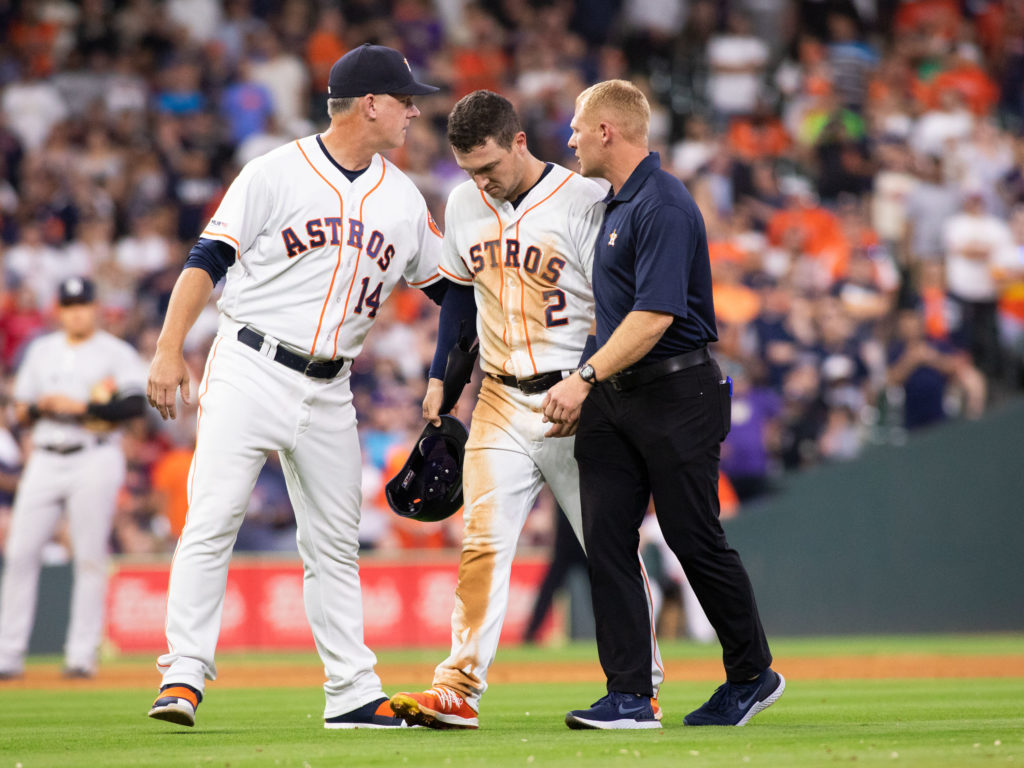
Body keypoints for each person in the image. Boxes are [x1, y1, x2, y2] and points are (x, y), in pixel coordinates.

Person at [145, 44, 444, 729]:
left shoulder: (401, 196)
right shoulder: (276, 171)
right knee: (213, 517)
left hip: (330, 386)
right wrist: (168, 349)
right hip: (250, 362)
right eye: (404, 98)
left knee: (336, 541)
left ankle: (351, 693)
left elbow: (448, 289)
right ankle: (183, 676)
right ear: (369, 104)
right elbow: (207, 259)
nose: (413, 110)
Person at [389, 90, 663, 730]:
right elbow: (459, 299)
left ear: (518, 141)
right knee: (482, 543)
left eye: (488, 166)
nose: (480, 180)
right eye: (469, 169)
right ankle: (457, 687)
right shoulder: (463, 202)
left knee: (608, 546)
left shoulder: (584, 201)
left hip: (577, 396)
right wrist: (440, 379)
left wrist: (592, 382)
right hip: (500, 396)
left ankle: (638, 685)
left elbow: (616, 308)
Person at [542, 79, 784, 729]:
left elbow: (654, 315)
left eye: (576, 126)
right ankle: (629, 694)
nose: (568, 138)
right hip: (617, 397)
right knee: (607, 540)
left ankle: (751, 673)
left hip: (678, 390)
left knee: (692, 537)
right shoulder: (615, 205)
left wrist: (582, 376)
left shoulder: (664, 203)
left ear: (607, 131)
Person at [0, 276, 147, 680]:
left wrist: (80, 408)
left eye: (83, 304)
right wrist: (41, 407)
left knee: (89, 557)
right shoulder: (42, 351)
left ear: (95, 307)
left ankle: (81, 656)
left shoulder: (115, 353)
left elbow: (135, 405)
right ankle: (8, 655)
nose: (77, 311)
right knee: (19, 554)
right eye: (69, 305)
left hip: (94, 455)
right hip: (46, 456)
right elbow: (18, 412)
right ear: (60, 310)